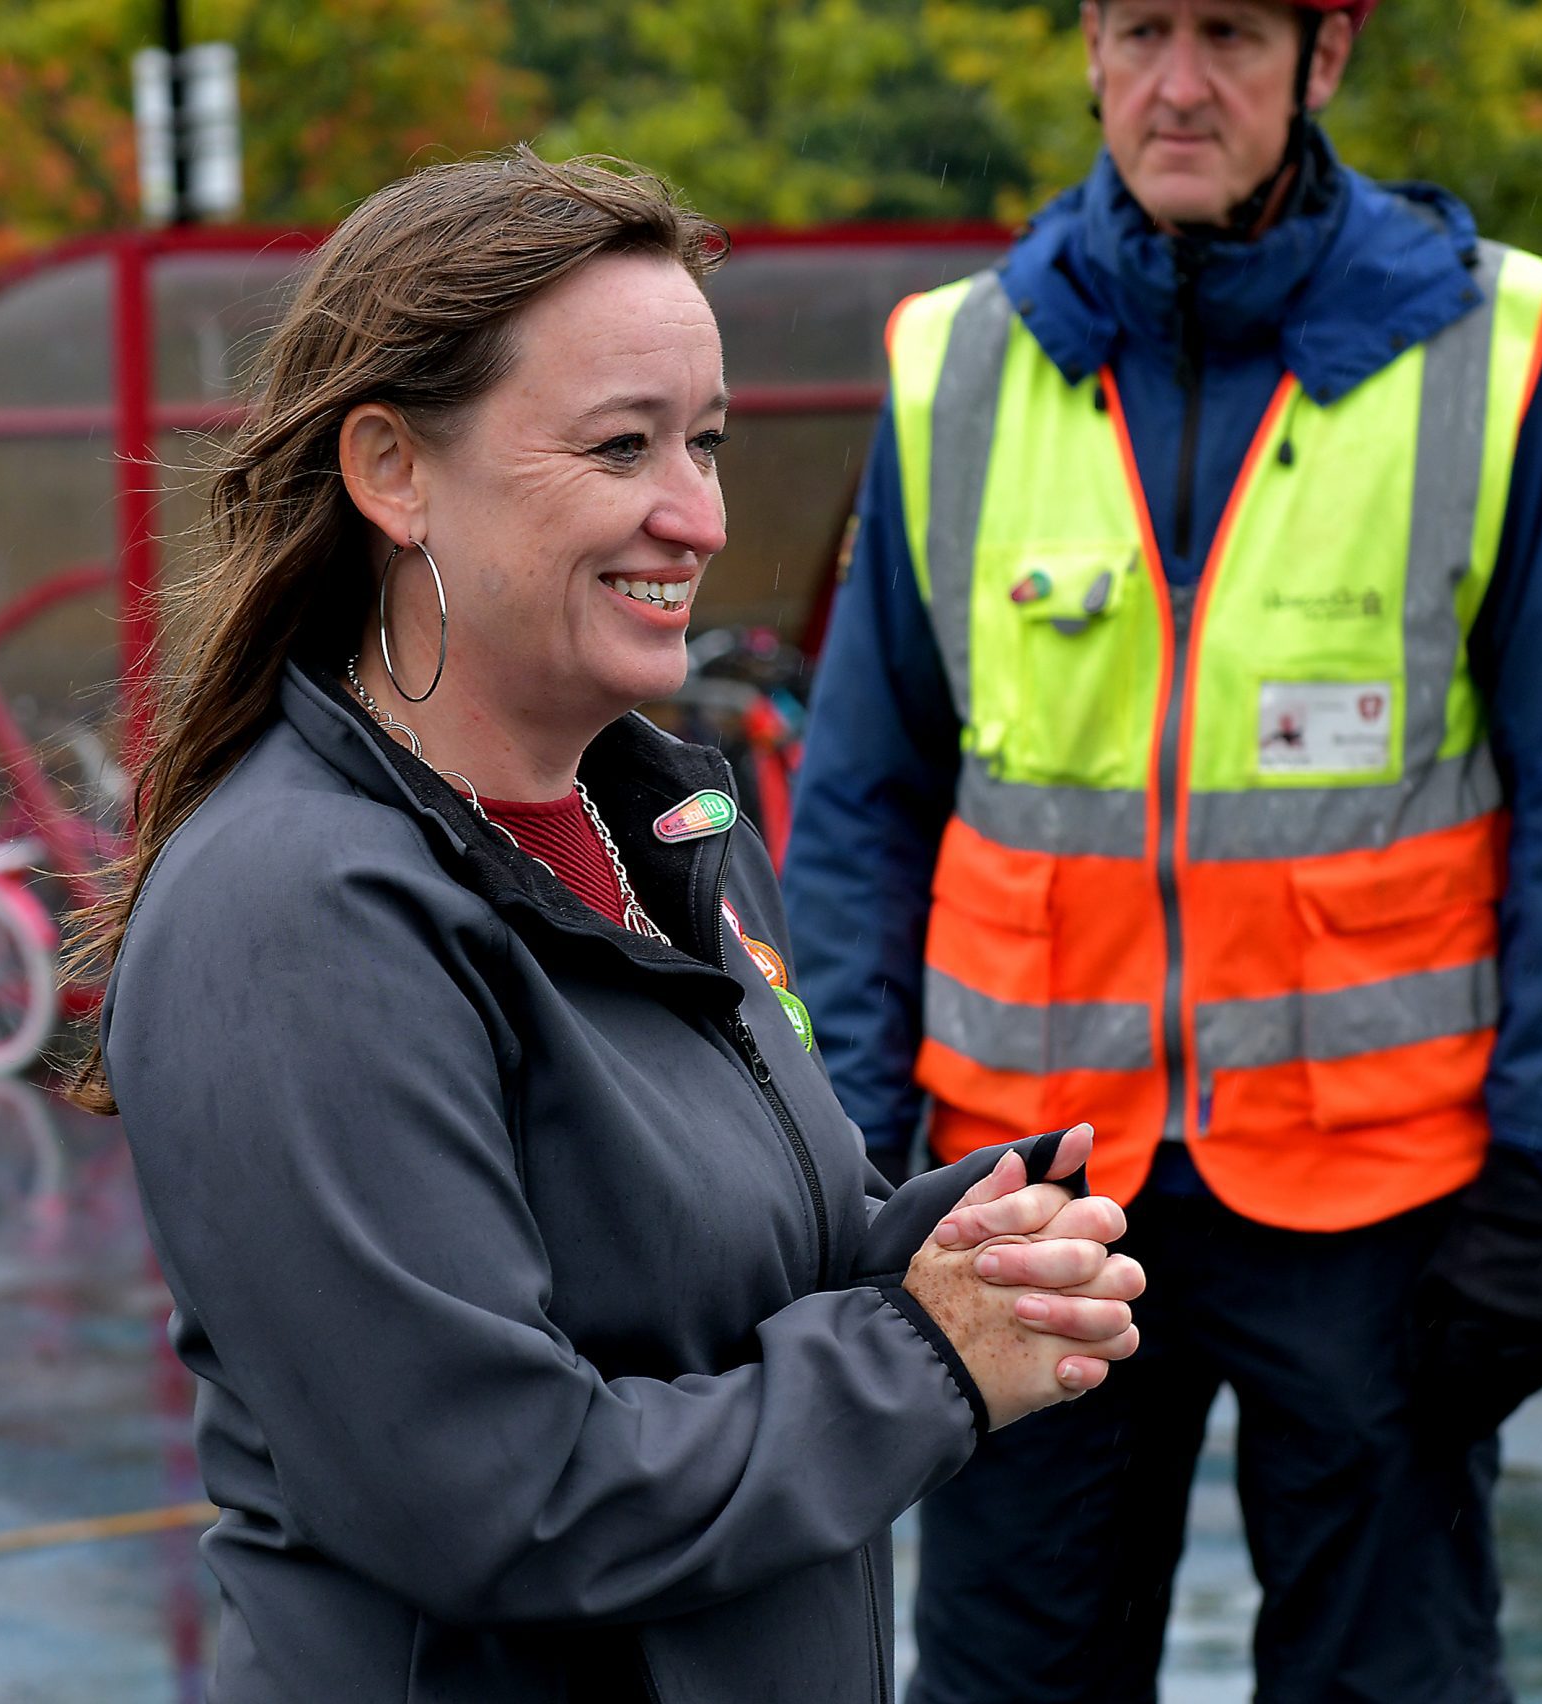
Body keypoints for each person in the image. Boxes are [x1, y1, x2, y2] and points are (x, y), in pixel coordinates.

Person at [70, 150, 1155, 1704]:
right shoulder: (296, 915)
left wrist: (960, 1252)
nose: (695, 514)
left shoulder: (665, 830)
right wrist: (925, 1363)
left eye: (705, 443)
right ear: (393, 472)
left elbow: (734, 1276)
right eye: (621, 445)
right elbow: (500, 1496)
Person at [782, 0, 1542, 1696]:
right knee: (1008, 1677)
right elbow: (863, 800)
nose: (1178, 84)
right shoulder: (958, 366)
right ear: (1086, 46)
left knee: (1387, 1678)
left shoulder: (1500, 358)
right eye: (1140, 31)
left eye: (1228, 33)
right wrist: (854, 1152)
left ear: (1325, 54)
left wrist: (1539, 1175)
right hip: (1033, 1194)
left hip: (1384, 1201)